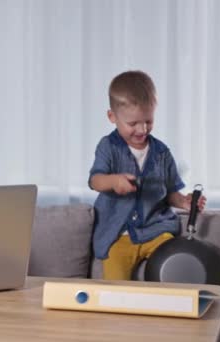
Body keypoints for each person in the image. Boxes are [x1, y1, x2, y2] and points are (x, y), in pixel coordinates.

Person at [88, 70, 206, 280]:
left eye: (148, 121)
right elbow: (95, 181)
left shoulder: (161, 153)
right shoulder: (108, 147)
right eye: (133, 124)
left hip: (156, 231)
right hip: (119, 236)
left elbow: (169, 192)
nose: (142, 129)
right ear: (112, 117)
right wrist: (113, 181)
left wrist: (185, 202)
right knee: (115, 286)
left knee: (174, 265)